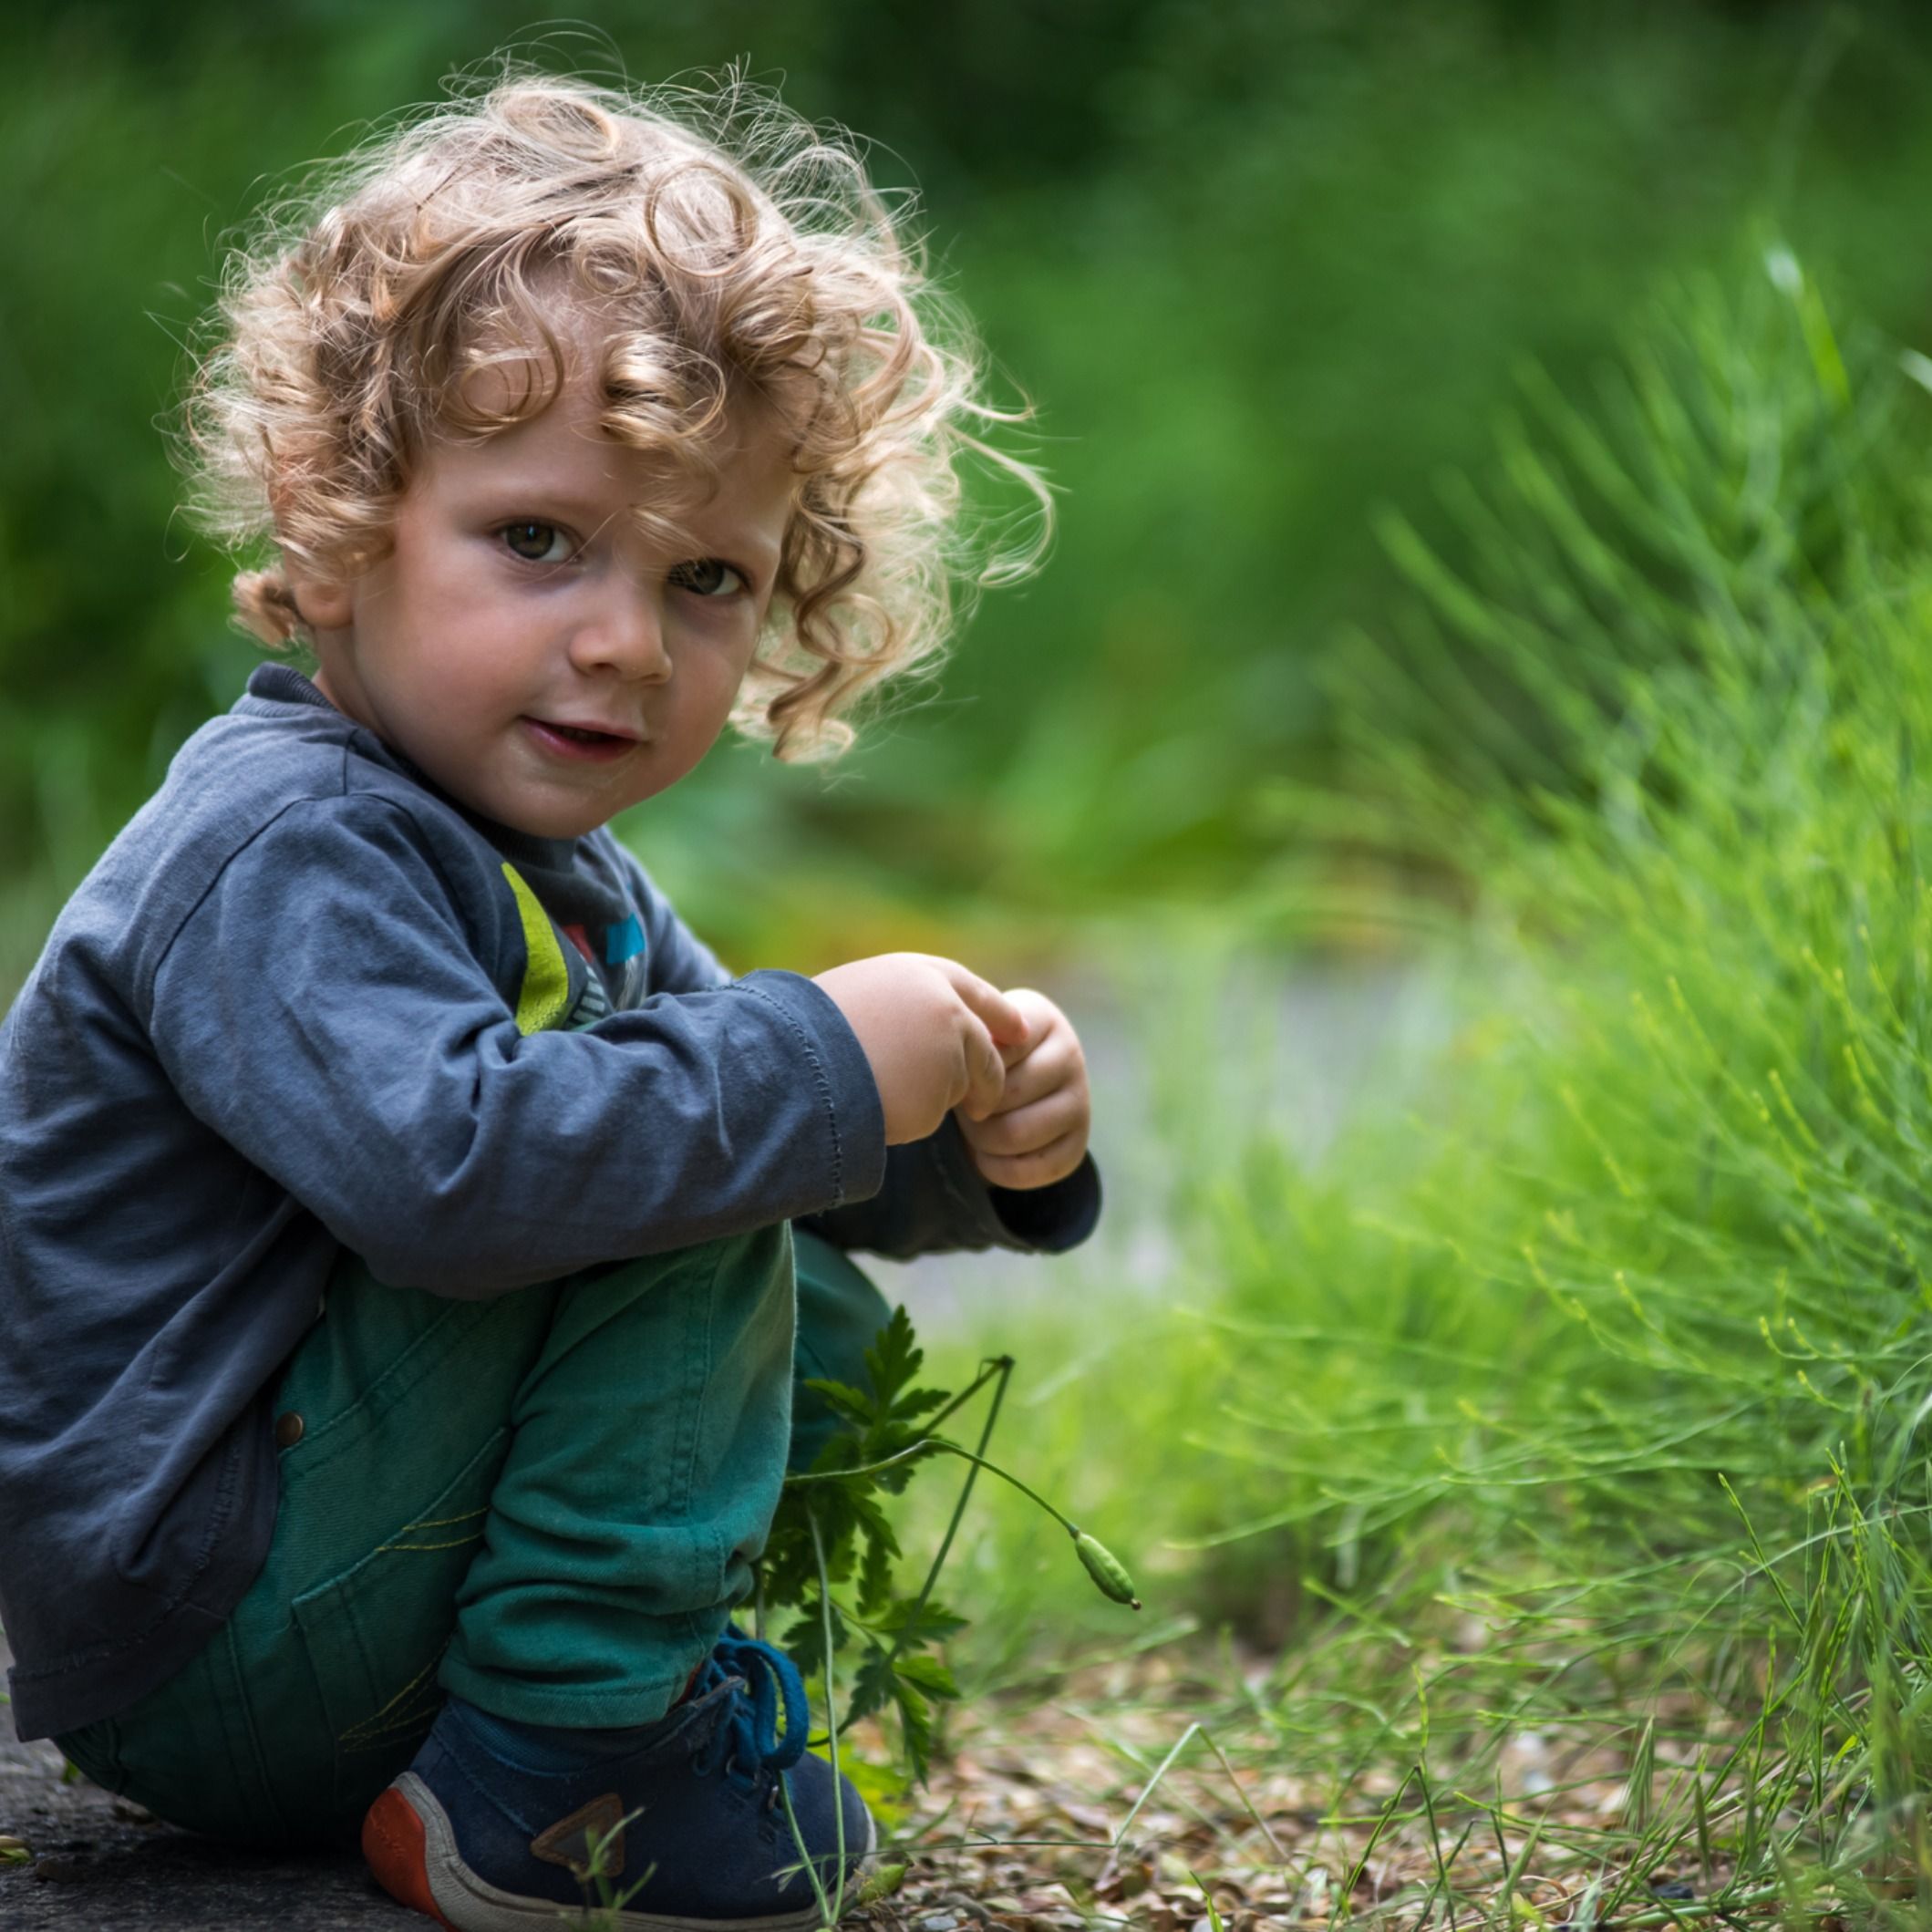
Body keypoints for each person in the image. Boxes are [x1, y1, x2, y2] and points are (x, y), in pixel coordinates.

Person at [0, 67, 1100, 1930]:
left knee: (770, 1233)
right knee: (679, 1157)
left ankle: (557, 1714)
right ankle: (561, 1761)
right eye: (536, 540)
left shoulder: (553, 863)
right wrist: (822, 1052)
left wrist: (969, 1138)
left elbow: (740, 1129)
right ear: (336, 513)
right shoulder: (281, 844)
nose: (622, 638)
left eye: (705, 578)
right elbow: (465, 1181)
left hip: (318, 1571)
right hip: (206, 1611)